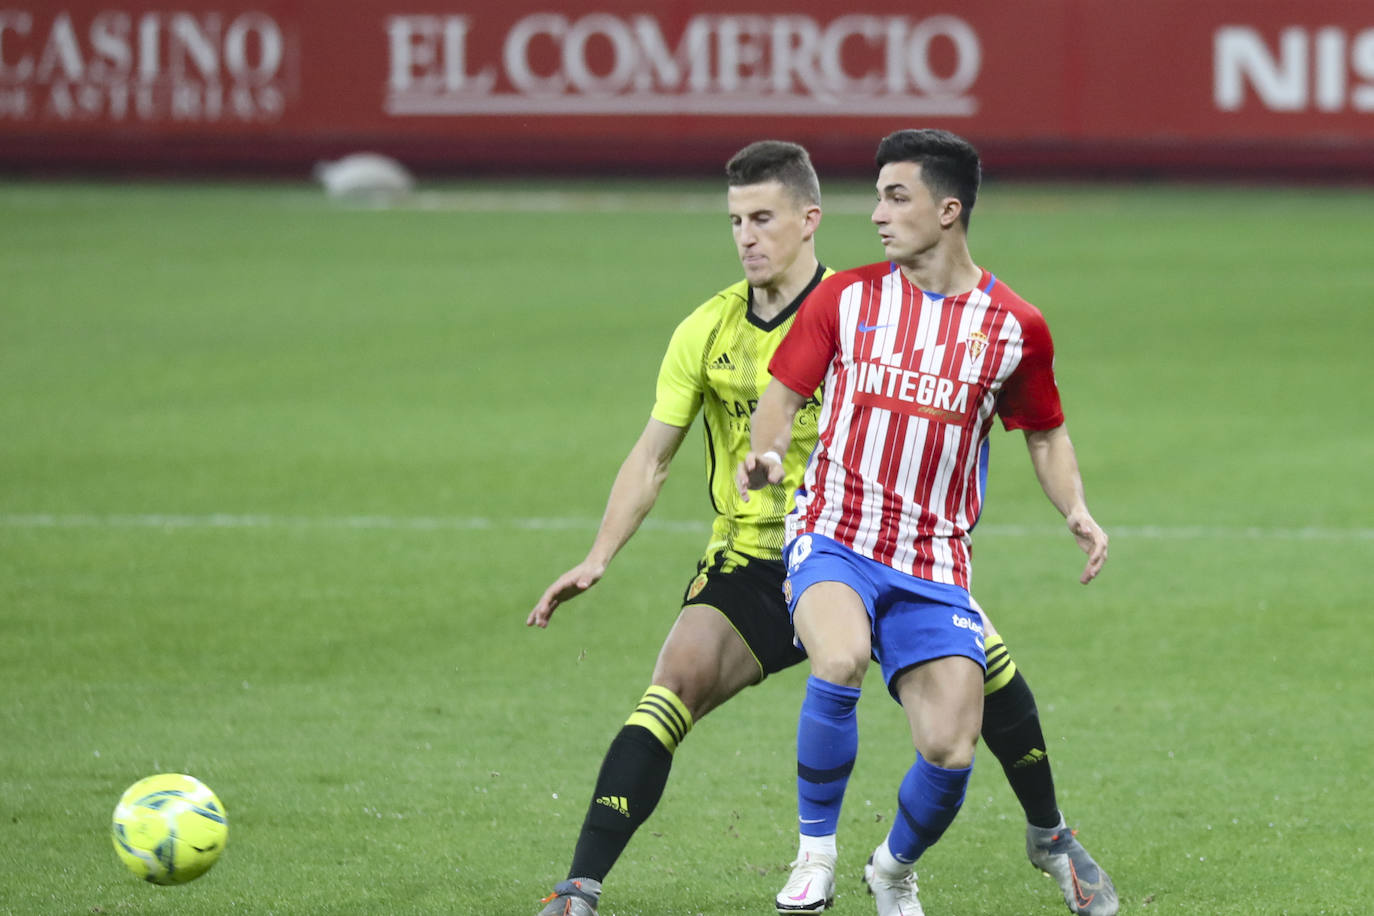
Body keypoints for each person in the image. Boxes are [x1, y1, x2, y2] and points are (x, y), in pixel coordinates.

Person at [532, 138, 1115, 916]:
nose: (745, 235)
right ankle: (582, 886)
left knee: (978, 698)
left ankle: (1047, 835)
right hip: (771, 556)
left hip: (898, 549)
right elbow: (655, 454)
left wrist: (1068, 504)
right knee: (676, 687)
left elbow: (1027, 421)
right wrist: (602, 553)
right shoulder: (712, 330)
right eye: (735, 219)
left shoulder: (885, 306)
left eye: (761, 217)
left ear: (808, 221)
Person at [736, 128, 1115, 916]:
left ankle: (893, 868)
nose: (875, 214)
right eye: (876, 196)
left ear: (948, 211)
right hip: (835, 532)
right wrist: (768, 456)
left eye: (895, 197)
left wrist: (1074, 508)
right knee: (837, 660)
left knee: (949, 750)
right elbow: (782, 396)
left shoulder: (1015, 327)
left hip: (935, 560)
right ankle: (814, 857)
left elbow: (1043, 431)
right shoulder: (848, 299)